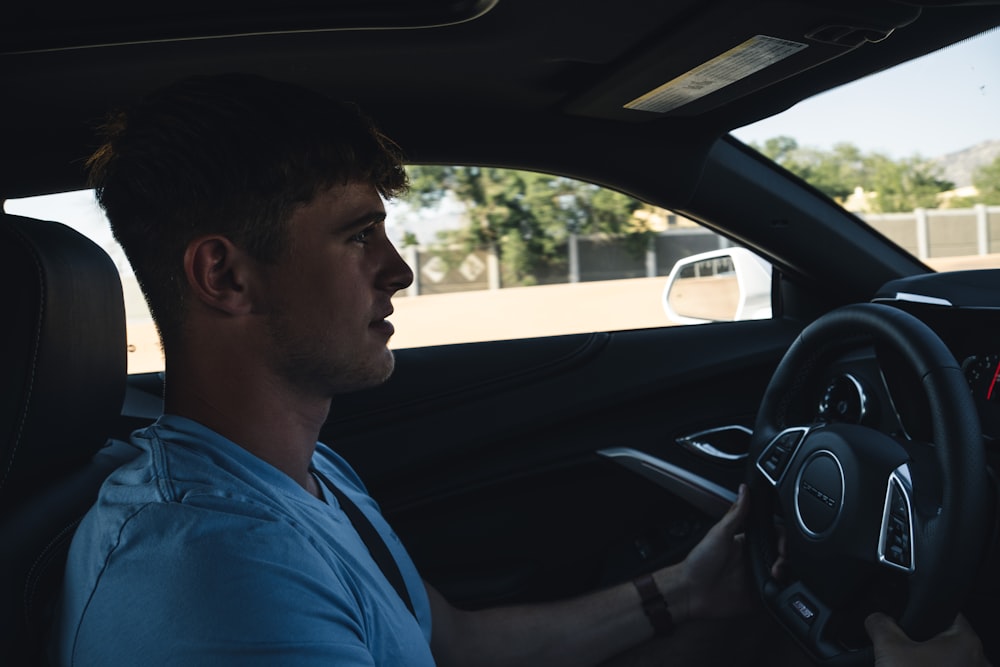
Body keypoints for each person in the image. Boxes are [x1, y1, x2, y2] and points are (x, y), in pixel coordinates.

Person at [51, 73, 986, 666]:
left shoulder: (292, 472)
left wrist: (687, 594)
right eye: (355, 234)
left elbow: (450, 641)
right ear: (224, 274)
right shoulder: (215, 580)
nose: (400, 269)